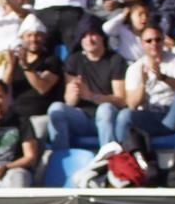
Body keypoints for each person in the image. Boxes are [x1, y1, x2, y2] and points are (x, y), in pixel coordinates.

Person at [48, 15, 124, 151]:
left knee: (105, 109)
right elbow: (69, 101)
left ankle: (109, 159)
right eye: (84, 36)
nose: (89, 39)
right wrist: (75, 93)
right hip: (82, 118)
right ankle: (60, 158)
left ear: (101, 37)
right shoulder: (74, 60)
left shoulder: (115, 59)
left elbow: (121, 100)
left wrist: (92, 96)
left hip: (107, 118)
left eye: (93, 34)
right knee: (56, 108)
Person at [116, 24, 175, 145]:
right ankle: (121, 154)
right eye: (149, 41)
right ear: (142, 44)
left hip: (172, 114)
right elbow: (132, 104)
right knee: (125, 115)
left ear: (163, 41)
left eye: (158, 39)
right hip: (150, 116)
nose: (154, 43)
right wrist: (142, 83)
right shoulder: (135, 68)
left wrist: (163, 78)